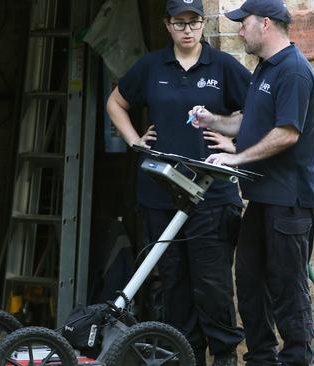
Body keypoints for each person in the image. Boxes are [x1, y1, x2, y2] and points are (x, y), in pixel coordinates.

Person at [105, 0, 251, 364]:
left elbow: (259, 110)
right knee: (174, 283)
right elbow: (115, 102)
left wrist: (234, 143)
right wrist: (134, 140)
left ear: (203, 24)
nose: (188, 29)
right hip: (161, 194)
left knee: (213, 282)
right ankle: (185, 356)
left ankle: (224, 356)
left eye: (195, 22)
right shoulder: (151, 66)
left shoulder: (223, 66)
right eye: (180, 22)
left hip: (212, 195)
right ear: (167, 25)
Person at [189, 0, 314, 364]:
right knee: (248, 283)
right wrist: (212, 121)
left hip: (289, 201)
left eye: (242, 22)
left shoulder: (293, 70)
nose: (238, 30)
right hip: (262, 198)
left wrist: (236, 157)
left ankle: (296, 359)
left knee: (287, 289)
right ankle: (262, 358)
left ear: (265, 24)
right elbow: (250, 123)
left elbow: (287, 133)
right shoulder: (266, 69)